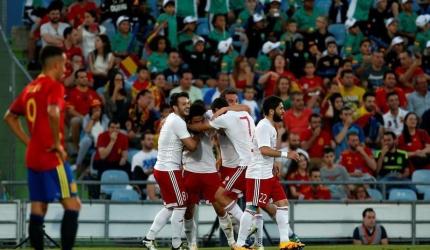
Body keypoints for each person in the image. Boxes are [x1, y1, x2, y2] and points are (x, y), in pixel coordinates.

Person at [4, 46, 81, 250]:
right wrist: (56, 143)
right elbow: (54, 112)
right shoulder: (53, 86)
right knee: (73, 205)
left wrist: (29, 142)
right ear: (56, 64)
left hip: (33, 157)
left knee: (38, 207)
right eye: (64, 64)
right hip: (52, 156)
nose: (65, 69)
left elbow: (9, 117)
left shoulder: (30, 88)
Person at [235, 96, 303, 250]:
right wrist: (287, 154)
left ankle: (285, 242)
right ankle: (239, 244)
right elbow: (264, 149)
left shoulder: (271, 127)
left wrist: (273, 164)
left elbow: (266, 151)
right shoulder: (264, 126)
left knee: (283, 203)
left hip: (268, 173)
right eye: (281, 108)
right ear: (272, 111)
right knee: (252, 207)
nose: (284, 111)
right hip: (258, 173)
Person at [141, 92, 200, 250]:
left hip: (163, 168)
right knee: (181, 205)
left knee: (170, 206)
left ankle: (149, 238)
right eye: (183, 103)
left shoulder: (173, 119)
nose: (187, 105)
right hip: (169, 169)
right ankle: (176, 244)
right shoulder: (177, 122)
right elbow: (192, 147)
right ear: (175, 107)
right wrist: (201, 132)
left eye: (188, 102)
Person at [182, 102, 238, 249]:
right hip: (190, 171)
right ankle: (192, 244)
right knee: (188, 212)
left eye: (201, 120)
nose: (200, 123)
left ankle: (232, 242)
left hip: (209, 171)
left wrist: (220, 155)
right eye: (196, 122)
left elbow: (219, 131)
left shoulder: (209, 117)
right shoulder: (181, 127)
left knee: (221, 209)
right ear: (189, 121)